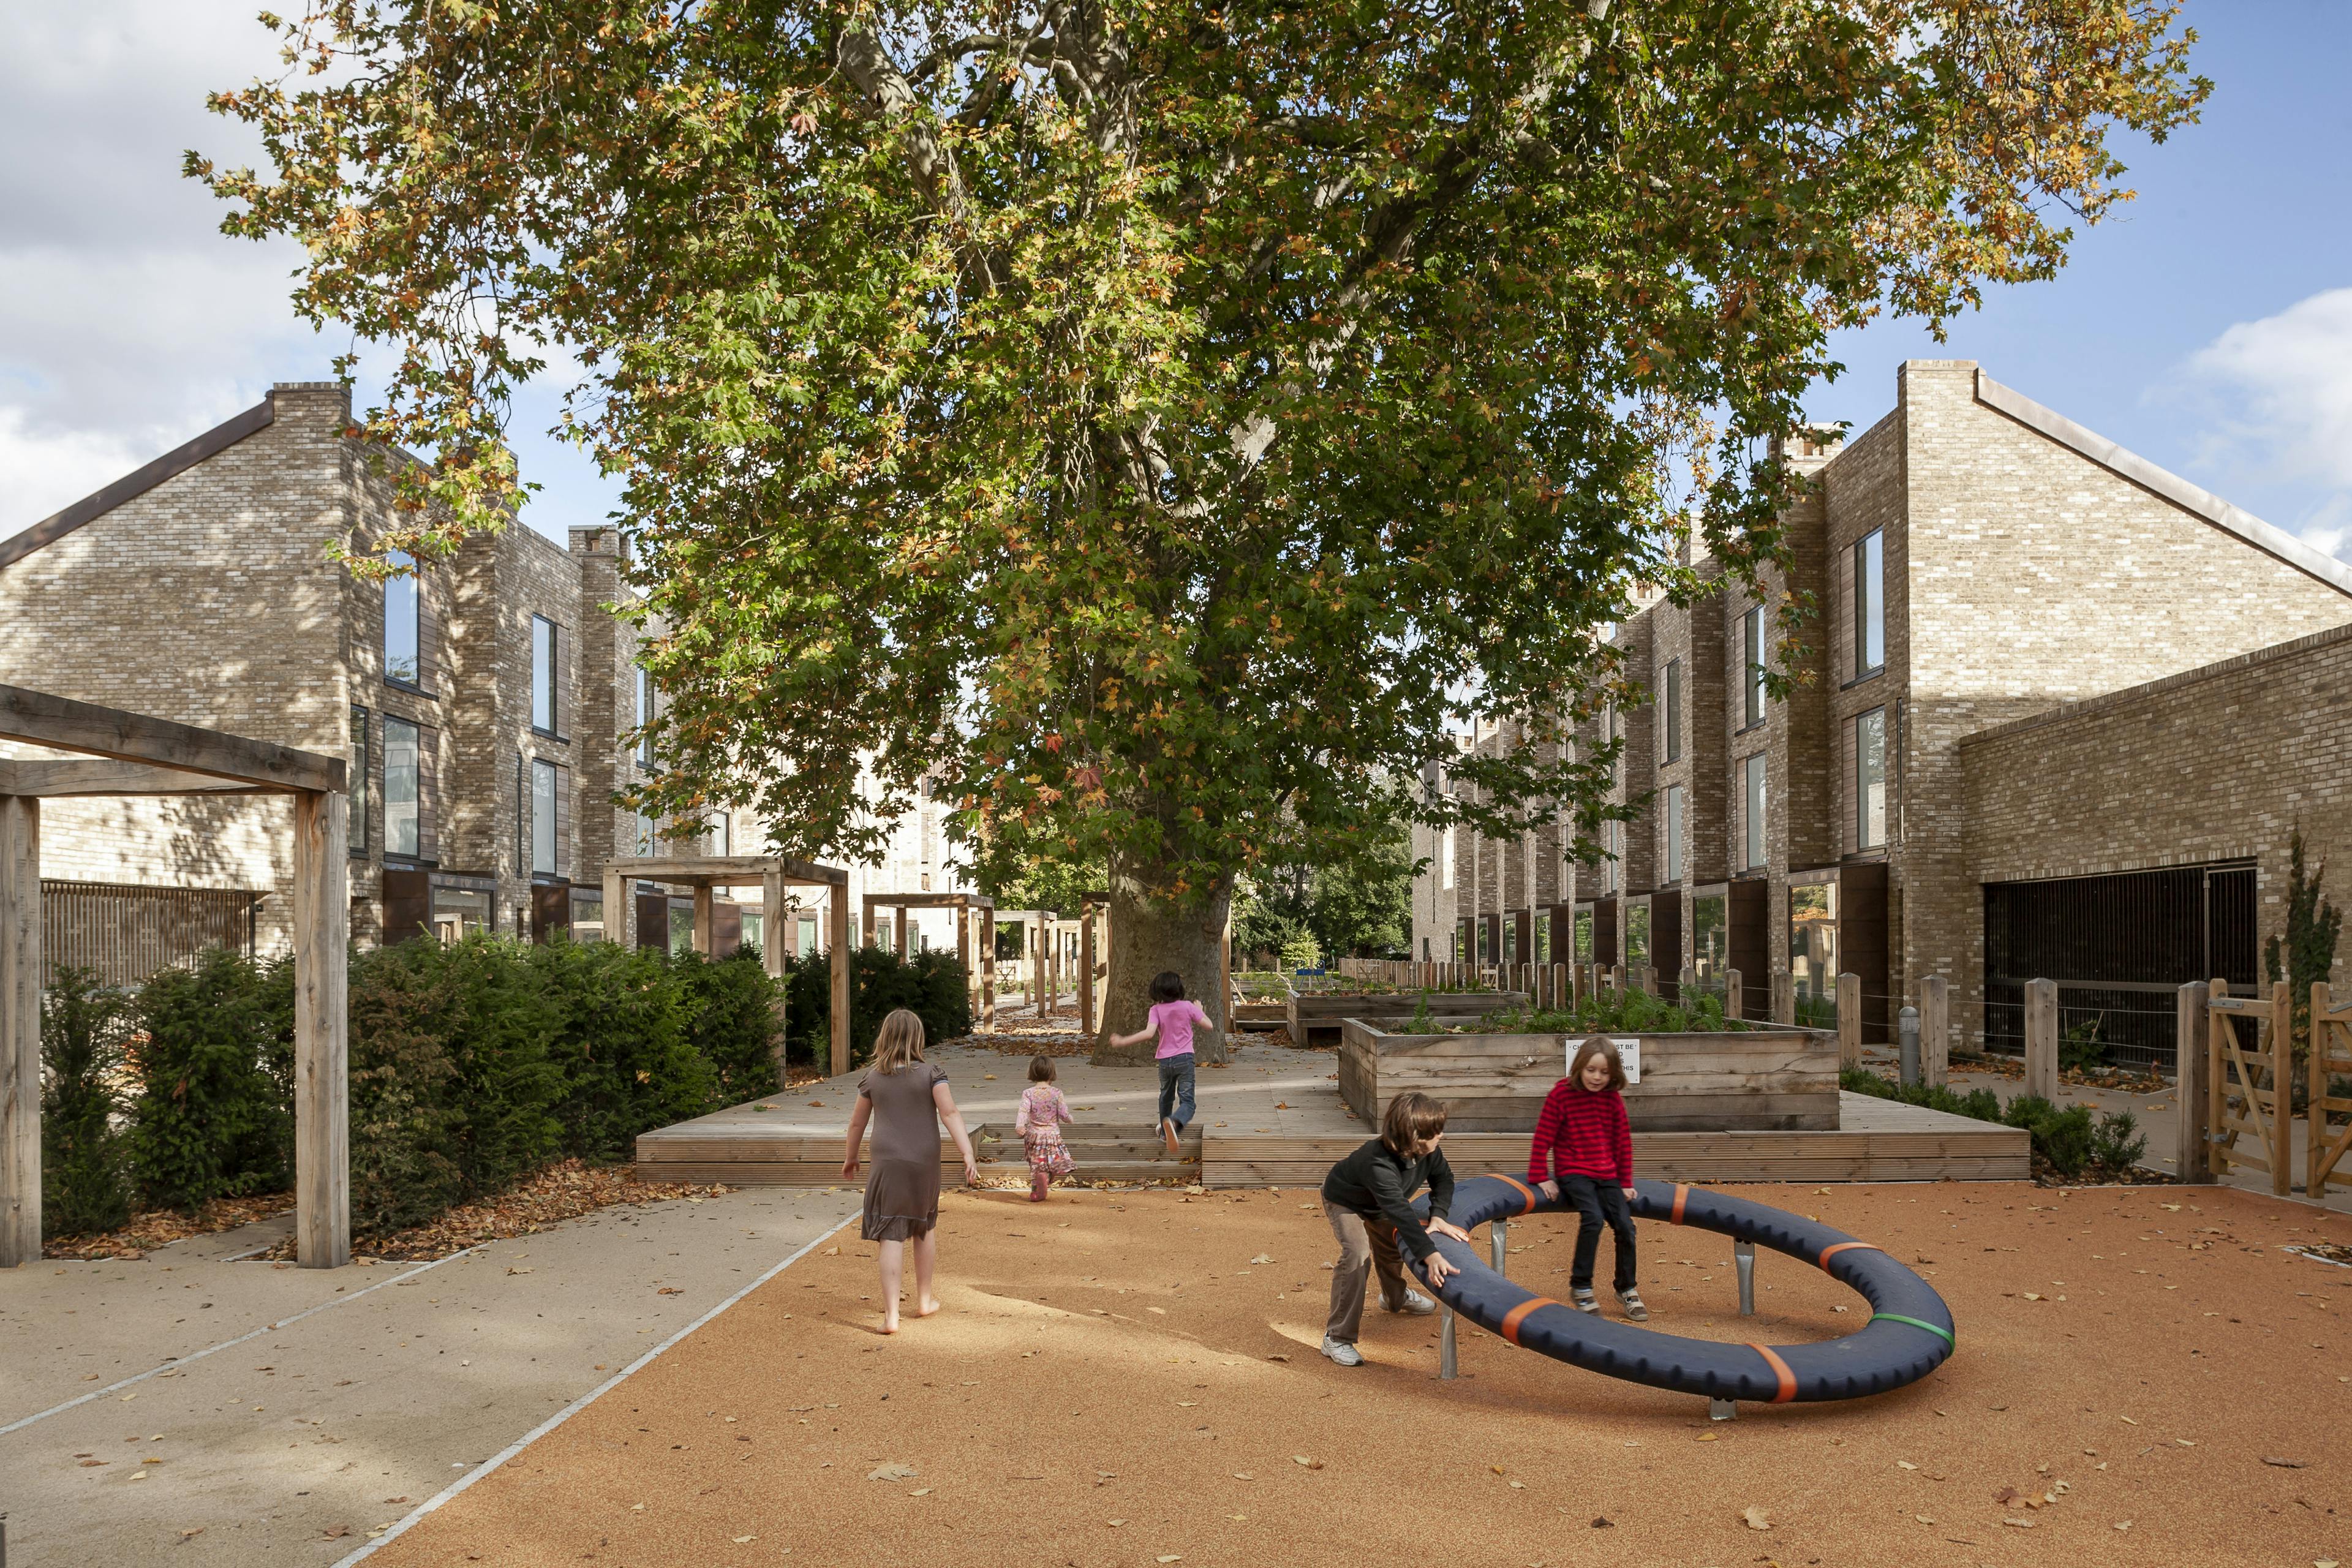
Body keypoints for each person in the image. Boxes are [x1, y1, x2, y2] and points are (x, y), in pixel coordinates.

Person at [840, 1008, 981, 1333]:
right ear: (918, 1038)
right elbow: (950, 1112)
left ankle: (891, 1316)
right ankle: (924, 1300)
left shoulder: (872, 1079)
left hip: (887, 1161)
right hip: (924, 1160)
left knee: (890, 1233)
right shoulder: (932, 1074)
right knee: (924, 1226)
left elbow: (857, 1123)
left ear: (884, 1038)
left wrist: (851, 1157)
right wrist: (967, 1151)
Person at [1316, 1090, 1473, 1366]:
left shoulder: (1429, 1151)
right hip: (1345, 1201)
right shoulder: (1377, 1162)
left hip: (1382, 1204)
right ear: (1415, 1137)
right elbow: (1400, 1211)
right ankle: (1336, 1337)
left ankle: (1395, 1299)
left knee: (1391, 1250)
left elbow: (1444, 1179)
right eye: (1436, 1131)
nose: (1442, 1135)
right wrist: (1430, 1254)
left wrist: (1438, 1216)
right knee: (1358, 1254)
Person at [1527, 1034, 1648, 1321]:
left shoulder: (1612, 1099)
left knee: (1626, 1226)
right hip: (1574, 1171)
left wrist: (1625, 1182)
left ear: (1614, 1074)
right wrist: (1541, 1176)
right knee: (1593, 1218)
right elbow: (1543, 1137)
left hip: (1606, 1173)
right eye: (1591, 1070)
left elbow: (1622, 1142)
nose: (1597, 1077)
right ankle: (1581, 1286)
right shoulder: (1561, 1095)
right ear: (1579, 1067)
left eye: (1604, 1072)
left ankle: (1627, 1288)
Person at [1106, 970, 1213, 1155]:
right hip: (1185, 1059)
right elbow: (1209, 1026)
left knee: (1166, 1097)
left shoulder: (1156, 1010)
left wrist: (1123, 1041)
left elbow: (1149, 1034)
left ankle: (1165, 1132)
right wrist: (1200, 1011)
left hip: (1165, 1061)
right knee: (1188, 1103)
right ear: (1179, 989)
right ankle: (1174, 1122)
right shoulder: (1188, 1006)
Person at [1014, 1053, 1074, 1202]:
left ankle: (1036, 1191)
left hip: (1034, 1135)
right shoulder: (1057, 1093)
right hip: (1052, 1135)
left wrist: (1020, 1126)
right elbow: (1063, 1113)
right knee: (1054, 1158)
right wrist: (1069, 1119)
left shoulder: (1028, 1093)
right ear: (1052, 1073)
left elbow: (1023, 1111)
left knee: (1036, 1163)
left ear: (1032, 1072)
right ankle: (1050, 1173)